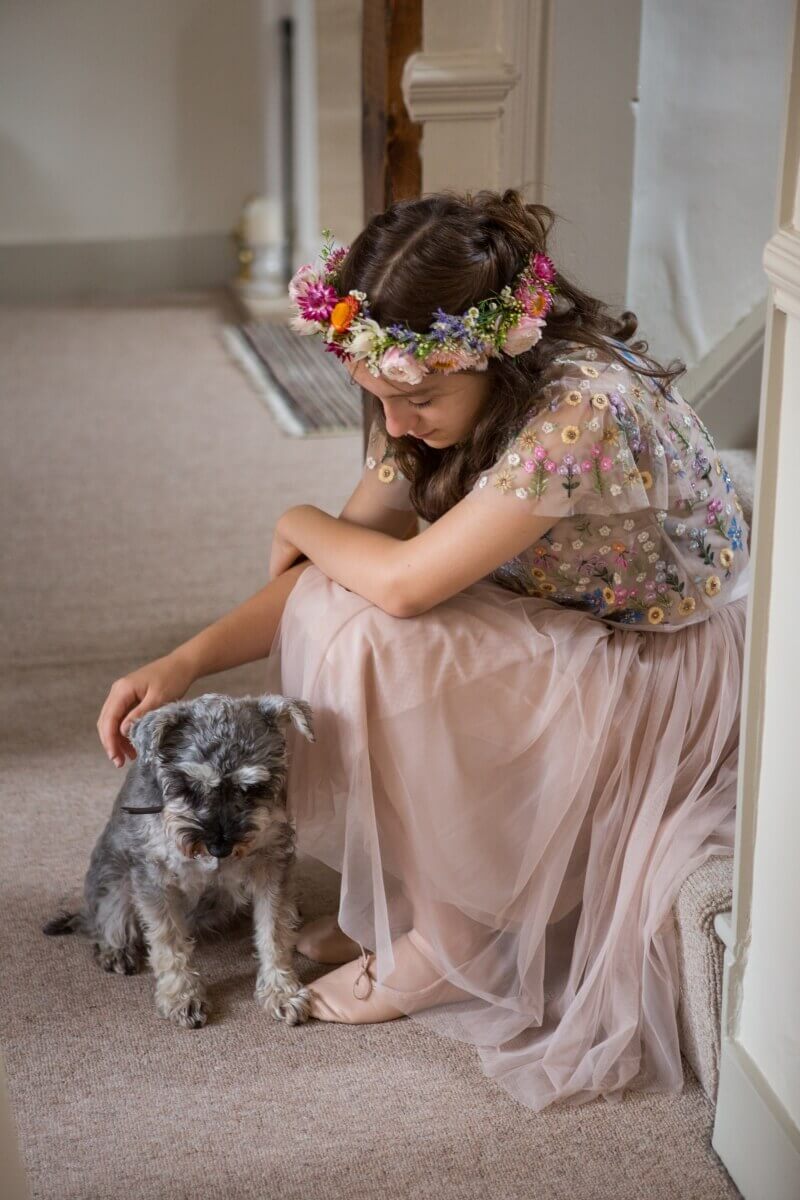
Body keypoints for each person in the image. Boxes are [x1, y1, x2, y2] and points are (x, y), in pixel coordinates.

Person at [97, 188, 750, 1113]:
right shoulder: (429, 385)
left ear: (489, 352)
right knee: (336, 604)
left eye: (415, 400)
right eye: (380, 400)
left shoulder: (578, 410)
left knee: (384, 633)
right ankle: (415, 903)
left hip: (666, 664)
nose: (396, 424)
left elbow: (398, 581)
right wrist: (187, 659)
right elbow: (340, 563)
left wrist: (298, 516)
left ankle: (446, 942)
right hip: (562, 624)